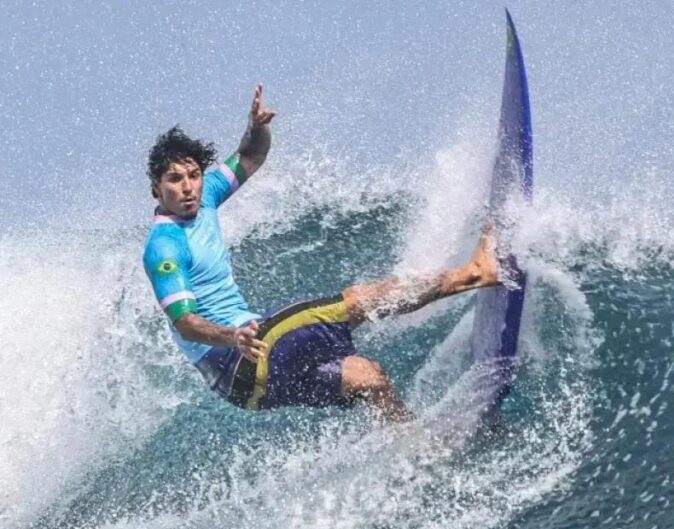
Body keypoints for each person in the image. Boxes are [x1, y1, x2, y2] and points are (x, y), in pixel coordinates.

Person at [142, 85, 498, 421]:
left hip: (248, 383)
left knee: (368, 377)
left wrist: (256, 127)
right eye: (175, 179)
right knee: (356, 301)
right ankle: (475, 273)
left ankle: (416, 449)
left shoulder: (205, 199)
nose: (187, 187)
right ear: (157, 187)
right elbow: (185, 323)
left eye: (193, 175)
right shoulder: (164, 247)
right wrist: (232, 336)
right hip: (236, 359)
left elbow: (252, 154)